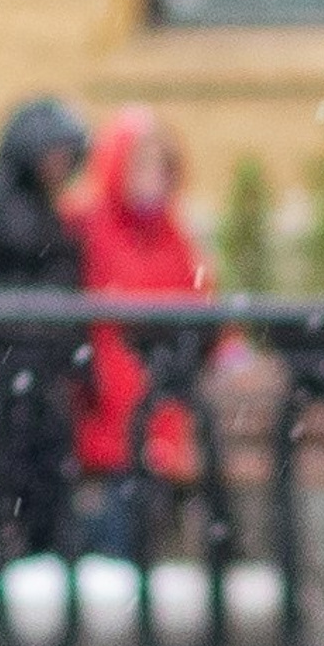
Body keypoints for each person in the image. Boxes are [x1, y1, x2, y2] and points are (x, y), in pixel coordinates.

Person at [0, 98, 87, 558]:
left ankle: (39, 548)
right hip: (0, 361)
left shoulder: (40, 209)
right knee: (12, 462)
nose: (59, 167)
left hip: (36, 363)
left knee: (44, 461)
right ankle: (0, 547)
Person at [67, 108, 212, 542]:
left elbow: (199, 297)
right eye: (141, 165)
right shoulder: (90, 228)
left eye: (161, 167)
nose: (153, 178)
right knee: (118, 505)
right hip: (109, 396)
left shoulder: (172, 234)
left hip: (161, 392)